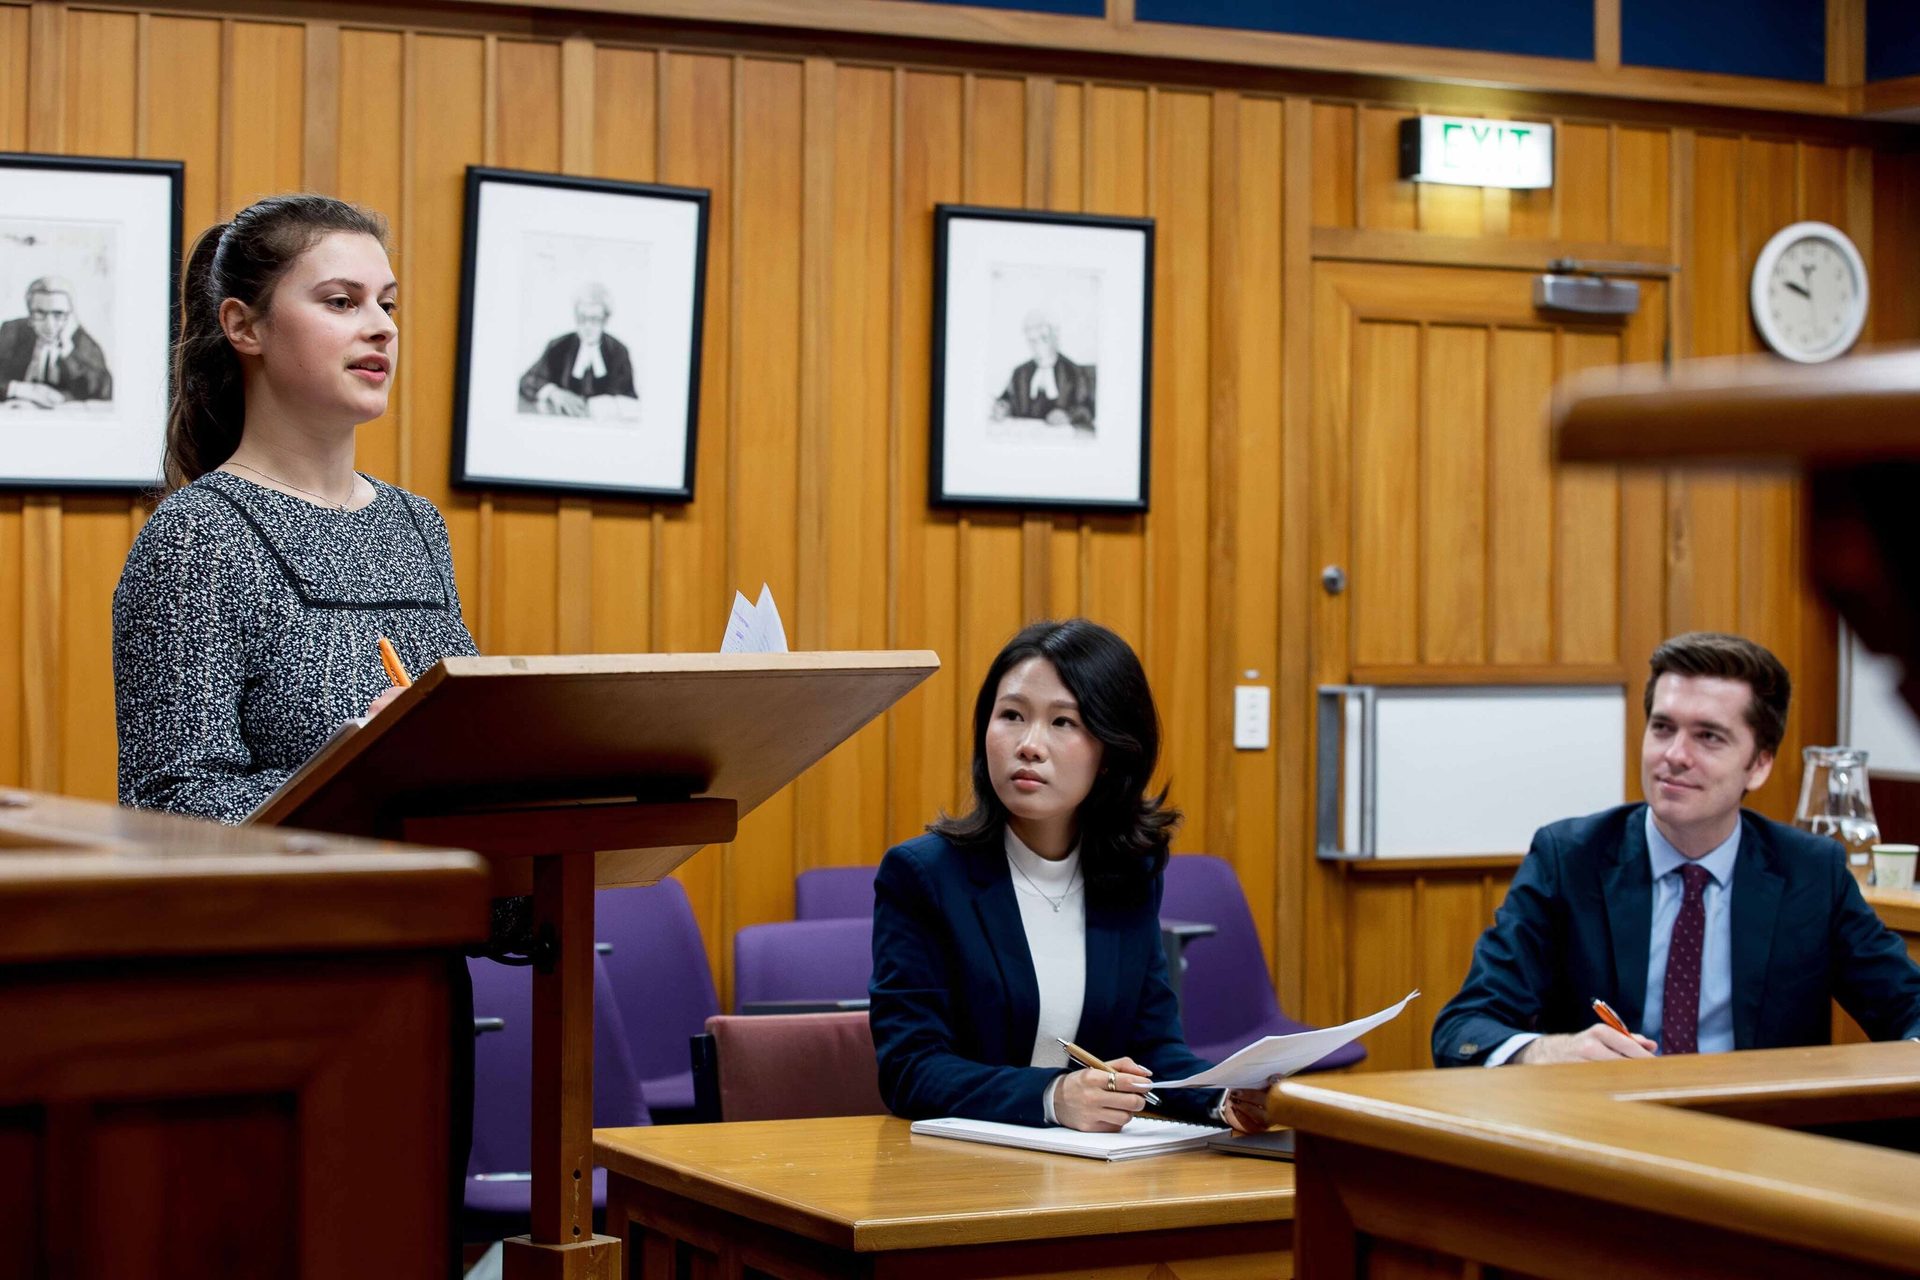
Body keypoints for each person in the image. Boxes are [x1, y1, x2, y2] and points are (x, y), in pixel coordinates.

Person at [110, 194, 485, 1275]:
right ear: (245, 327)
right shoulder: (194, 538)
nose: (381, 327)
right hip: (273, 999)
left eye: (389, 303)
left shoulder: (417, 524)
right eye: (340, 300)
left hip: (424, 976)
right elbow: (169, 809)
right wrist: (354, 765)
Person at [1433, 632, 1920, 1068]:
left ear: (1759, 765)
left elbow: (1908, 1008)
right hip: (1605, 1134)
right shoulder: (1569, 859)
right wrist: (1547, 1051)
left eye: (1708, 736)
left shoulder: (1810, 872)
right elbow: (1465, 1029)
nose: (1674, 756)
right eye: (1663, 728)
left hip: (1765, 1140)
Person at [870, 618, 1269, 1133]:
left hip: (1091, 1171)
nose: (1030, 745)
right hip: (961, 1168)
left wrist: (1218, 1098)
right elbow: (910, 1069)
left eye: (1063, 723)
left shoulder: (1130, 871)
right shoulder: (924, 876)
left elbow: (1152, 1047)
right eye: (1011, 715)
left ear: (1110, 752)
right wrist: (1052, 1096)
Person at [517, 281, 637, 415]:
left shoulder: (618, 351)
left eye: (595, 319)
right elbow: (528, 380)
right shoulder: (559, 346)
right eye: (582, 318)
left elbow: (628, 397)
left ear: (606, 320)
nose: (588, 326)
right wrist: (553, 392)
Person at [0, 275, 113, 407]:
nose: (49, 324)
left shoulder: (82, 342)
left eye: (58, 314)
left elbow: (104, 392)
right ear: (30, 315)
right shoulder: (12, 331)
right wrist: (20, 389)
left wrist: (67, 350)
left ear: (70, 315)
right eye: (40, 313)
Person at [990, 310, 1094, 429]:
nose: (1038, 347)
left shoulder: (1074, 372)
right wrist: (1002, 408)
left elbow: (1087, 409)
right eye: (1032, 341)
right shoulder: (1020, 373)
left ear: (1055, 337)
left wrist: (1068, 416)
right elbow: (1006, 400)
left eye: (1044, 338)